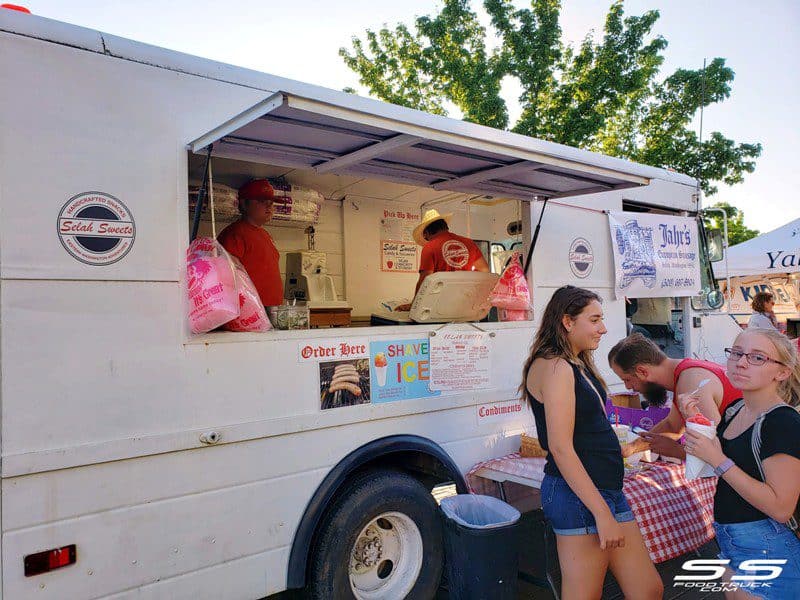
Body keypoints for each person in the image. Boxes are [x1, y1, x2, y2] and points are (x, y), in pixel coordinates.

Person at [523, 286, 663, 599]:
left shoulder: (574, 363)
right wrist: (601, 513)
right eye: (595, 319)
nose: (604, 328)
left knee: (648, 589)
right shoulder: (557, 367)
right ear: (568, 322)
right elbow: (560, 448)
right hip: (581, 498)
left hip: (605, 491)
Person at [684, 327, 800, 599]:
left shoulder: (782, 423)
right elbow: (721, 466)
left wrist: (719, 459)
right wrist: (696, 422)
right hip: (731, 540)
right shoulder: (735, 409)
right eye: (736, 353)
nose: (741, 362)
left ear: (782, 372)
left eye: (757, 358)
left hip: (768, 543)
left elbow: (781, 508)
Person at [608, 333, 741, 459]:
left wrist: (676, 451)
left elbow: (720, 450)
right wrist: (632, 447)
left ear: (642, 371)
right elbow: (672, 426)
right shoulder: (684, 374)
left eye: (627, 380)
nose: (628, 387)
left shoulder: (692, 383)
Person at [394, 209, 489, 311]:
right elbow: (484, 271)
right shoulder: (469, 243)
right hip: (465, 303)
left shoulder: (430, 247)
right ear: (444, 226)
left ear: (426, 233)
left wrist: (414, 305)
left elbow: (425, 280)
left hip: (439, 305)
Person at [217, 179, 284, 307]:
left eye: (271, 202)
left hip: (270, 310)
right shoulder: (235, 234)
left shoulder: (265, 234)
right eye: (262, 201)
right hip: (248, 313)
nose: (269, 206)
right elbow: (226, 277)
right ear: (244, 203)